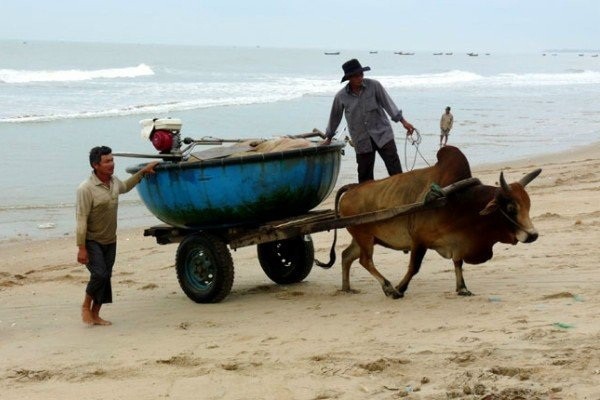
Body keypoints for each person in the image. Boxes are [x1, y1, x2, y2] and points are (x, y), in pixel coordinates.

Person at [76, 146, 158, 326]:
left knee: (106, 277)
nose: (112, 164)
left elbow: (126, 187)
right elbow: (81, 219)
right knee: (99, 275)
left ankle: (95, 314)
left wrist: (143, 172)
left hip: (110, 240)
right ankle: (85, 307)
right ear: (95, 165)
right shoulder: (86, 189)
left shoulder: (113, 182)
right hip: (92, 240)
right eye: (107, 161)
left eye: (112, 160)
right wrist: (81, 248)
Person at [322, 58, 414, 183]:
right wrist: (328, 138)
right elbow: (335, 117)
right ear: (349, 78)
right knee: (365, 177)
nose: (360, 77)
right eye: (356, 76)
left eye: (361, 74)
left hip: (383, 135)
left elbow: (389, 105)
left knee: (395, 171)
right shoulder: (341, 96)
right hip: (361, 140)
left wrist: (404, 122)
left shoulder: (374, 86)